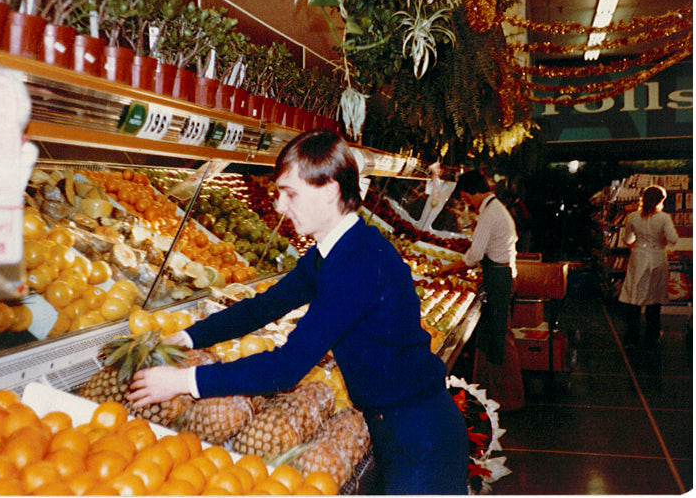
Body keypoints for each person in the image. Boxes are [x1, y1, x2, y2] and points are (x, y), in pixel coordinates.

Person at [127, 129, 469, 494]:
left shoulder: (357, 263)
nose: (278, 206)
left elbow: (287, 366)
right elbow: (264, 307)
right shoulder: (333, 253)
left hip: (420, 437)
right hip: (396, 426)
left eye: (290, 193)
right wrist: (188, 336)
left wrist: (182, 382)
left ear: (330, 190)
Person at [437, 169, 524, 411]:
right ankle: (489, 392)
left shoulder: (491, 213)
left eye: (466, 198)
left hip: (499, 277)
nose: (468, 204)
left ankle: (509, 399)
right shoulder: (495, 209)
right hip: (501, 273)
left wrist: (449, 269)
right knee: (490, 337)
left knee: (500, 338)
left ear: (473, 192)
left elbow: (475, 255)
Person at [619, 185, 678, 349]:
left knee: (634, 298)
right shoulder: (664, 218)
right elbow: (672, 239)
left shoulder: (633, 217)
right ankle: (652, 335)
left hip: (638, 258)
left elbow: (628, 240)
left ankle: (631, 337)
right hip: (658, 258)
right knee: (654, 298)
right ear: (660, 201)